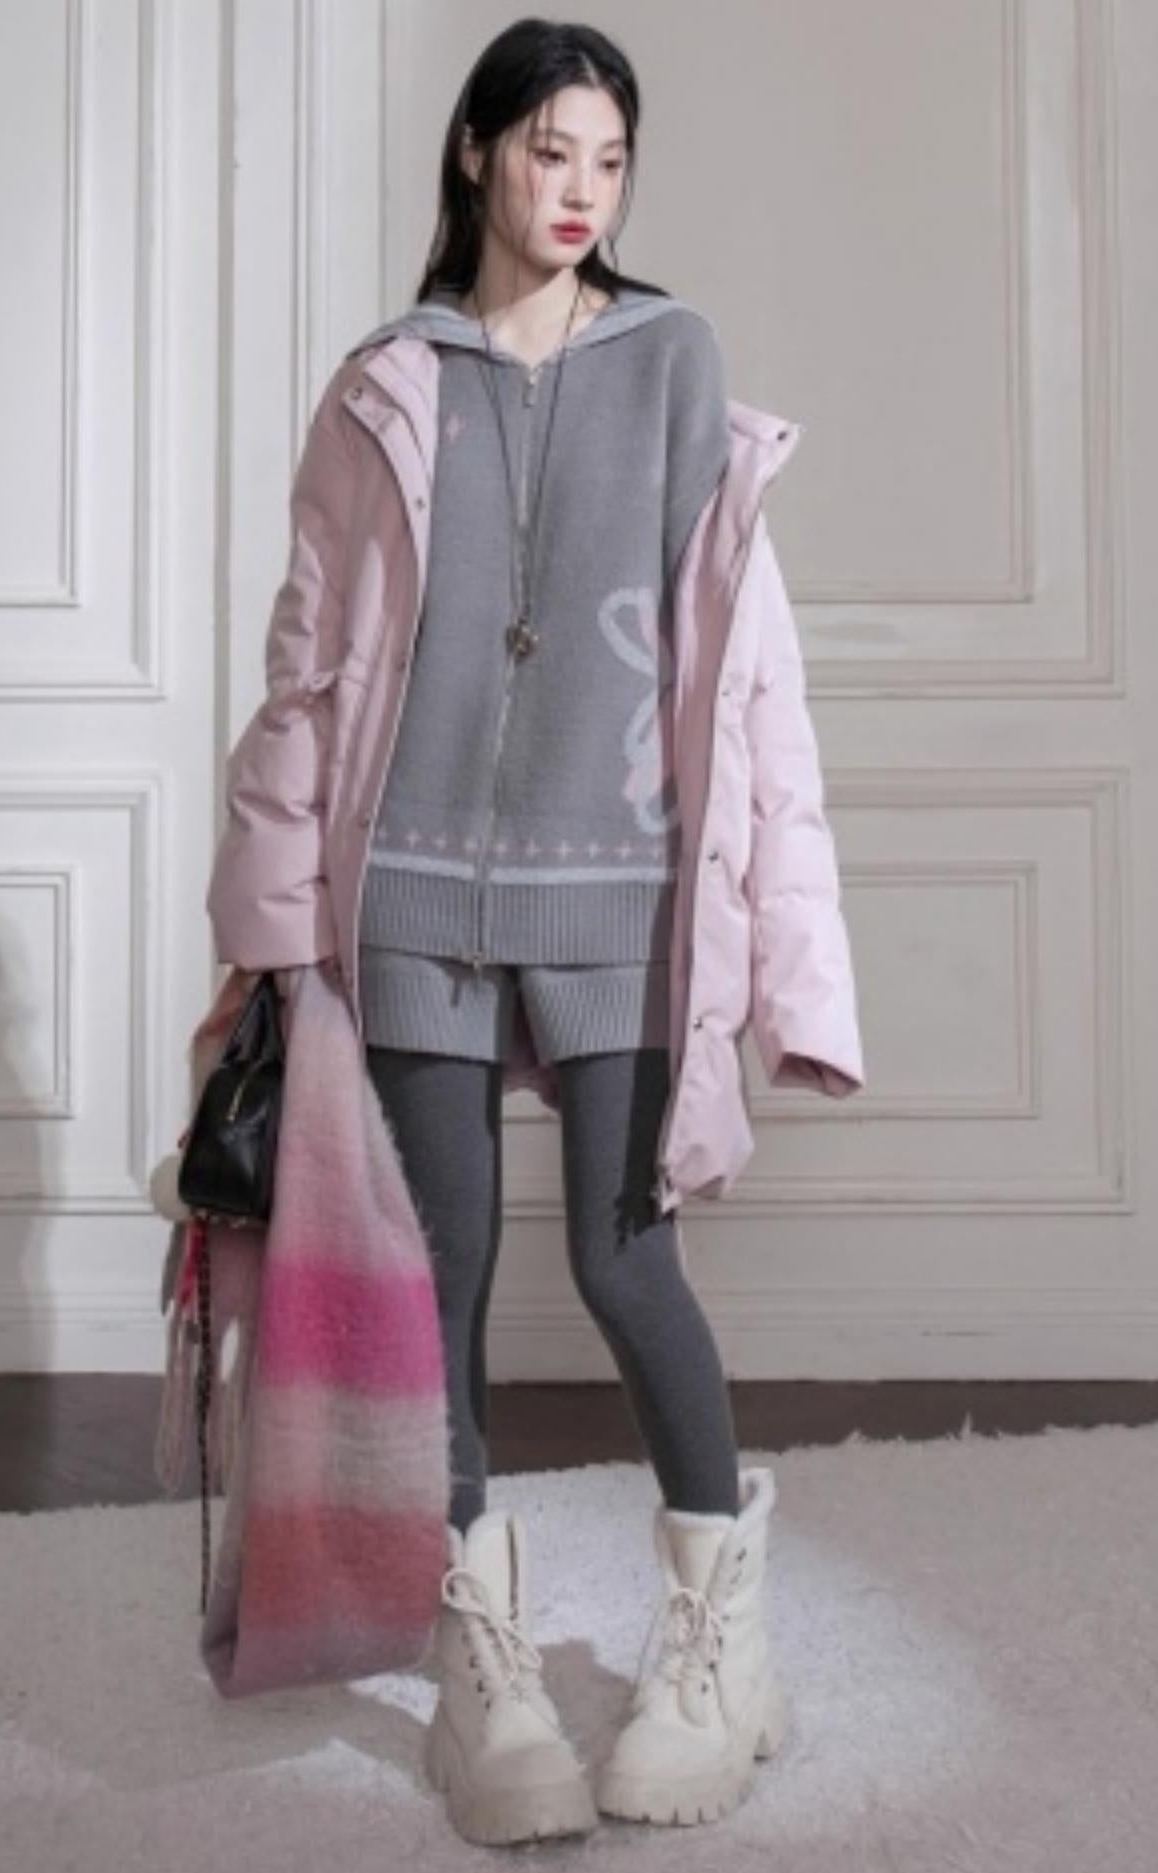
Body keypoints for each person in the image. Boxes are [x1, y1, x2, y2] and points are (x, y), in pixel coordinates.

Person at [207, 15, 862, 1849]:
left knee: (625, 1258)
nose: (583, 191)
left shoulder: (672, 364)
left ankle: (720, 1635)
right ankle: (476, 1653)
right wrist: (266, 934)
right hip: (410, 894)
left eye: (611, 160)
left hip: (617, 892)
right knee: (441, 1282)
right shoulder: (385, 386)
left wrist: (795, 964)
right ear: (479, 151)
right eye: (552, 150)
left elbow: (748, 685)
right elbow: (307, 677)